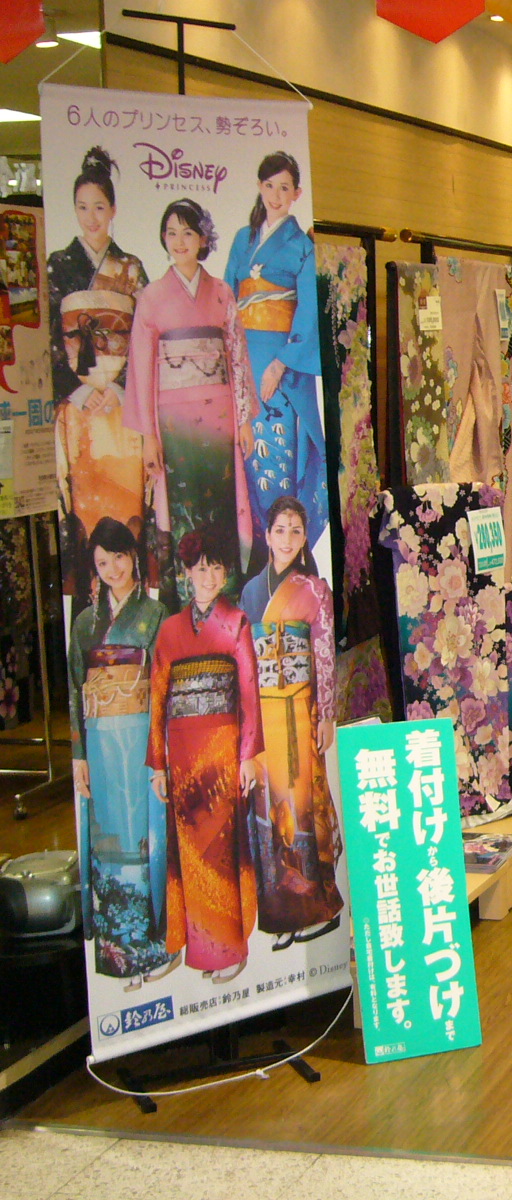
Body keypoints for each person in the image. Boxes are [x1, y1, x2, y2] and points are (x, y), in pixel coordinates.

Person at [124, 198, 258, 610]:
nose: (179, 241)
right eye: (171, 232)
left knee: (221, 501)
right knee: (181, 504)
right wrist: (149, 436)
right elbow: (141, 369)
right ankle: (186, 599)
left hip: (219, 416)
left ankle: (225, 593)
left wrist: (244, 419)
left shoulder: (221, 293)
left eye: (188, 232)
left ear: (203, 238)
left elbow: (237, 357)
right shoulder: (151, 296)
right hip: (174, 422)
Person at [147, 525, 263, 983]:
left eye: (216, 568)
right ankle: (196, 942)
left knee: (222, 849)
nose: (209, 576)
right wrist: (158, 764)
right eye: (200, 569)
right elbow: (159, 698)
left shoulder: (236, 622)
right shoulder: (169, 631)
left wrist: (247, 755)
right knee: (189, 853)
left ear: (225, 572)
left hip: (222, 750)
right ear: (186, 574)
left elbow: (249, 692)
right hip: (182, 751)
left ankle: (228, 948)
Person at [67, 517, 174, 986]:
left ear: (133, 557)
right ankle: (118, 952)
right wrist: (78, 754)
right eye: (102, 563)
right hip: (98, 740)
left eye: (118, 557)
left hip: (139, 736)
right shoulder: (84, 623)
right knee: (108, 836)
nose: (112, 569)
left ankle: (152, 948)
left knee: (142, 833)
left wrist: (160, 752)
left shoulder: (155, 614)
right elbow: (76, 689)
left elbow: (163, 686)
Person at [47, 147, 150, 608]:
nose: (91, 218)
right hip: (80, 411)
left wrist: (120, 387)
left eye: (100, 207)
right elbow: (52, 338)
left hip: (122, 413)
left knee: (128, 513)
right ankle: (89, 619)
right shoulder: (59, 264)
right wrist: (78, 389)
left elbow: (144, 337)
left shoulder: (131, 268)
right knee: (84, 515)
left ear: (113, 210)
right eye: (82, 207)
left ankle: (135, 616)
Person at [239, 496, 343, 950]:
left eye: (296, 531)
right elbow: (243, 662)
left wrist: (326, 712)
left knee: (302, 802)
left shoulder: (315, 590)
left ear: (304, 539)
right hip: (263, 714)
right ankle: (283, 914)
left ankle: (317, 908)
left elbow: (324, 654)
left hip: (300, 710)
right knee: (269, 809)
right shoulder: (250, 592)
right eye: (279, 530)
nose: (287, 539)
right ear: (266, 535)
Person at [223, 152, 327, 560]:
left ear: (297, 193)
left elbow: (308, 310)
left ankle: (285, 553)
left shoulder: (302, 246)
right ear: (260, 187)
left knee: (279, 459)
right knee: (246, 457)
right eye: (270, 186)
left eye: (285, 187)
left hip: (281, 367)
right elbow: (228, 302)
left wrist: (281, 363)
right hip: (244, 360)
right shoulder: (242, 239)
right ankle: (255, 560)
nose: (276, 195)